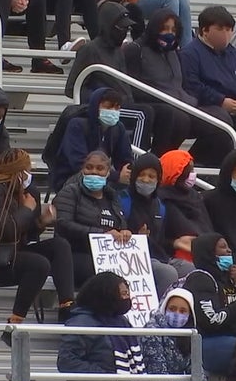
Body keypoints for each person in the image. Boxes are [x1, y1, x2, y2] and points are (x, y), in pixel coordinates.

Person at [0, 149, 74, 329]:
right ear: (18, 170)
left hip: (6, 255)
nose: (29, 175)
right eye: (27, 170)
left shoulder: (15, 190)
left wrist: (41, 222)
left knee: (59, 245)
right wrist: (27, 209)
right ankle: (15, 322)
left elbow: (23, 234)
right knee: (39, 264)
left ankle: (67, 307)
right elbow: (7, 230)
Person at [124, 8, 231, 163]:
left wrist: (190, 100)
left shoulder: (174, 53)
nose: (170, 33)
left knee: (221, 119)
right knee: (179, 118)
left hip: (182, 103)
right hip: (157, 105)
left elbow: (183, 85)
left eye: (174, 30)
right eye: (165, 28)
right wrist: (168, 99)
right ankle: (159, 162)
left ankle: (187, 163)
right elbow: (131, 87)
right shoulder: (135, 50)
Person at [58, 271, 162, 381]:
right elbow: (66, 361)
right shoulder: (81, 322)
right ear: (107, 295)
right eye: (123, 294)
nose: (127, 299)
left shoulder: (121, 321)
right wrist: (105, 375)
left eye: (127, 294)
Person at [64, 2, 154, 146]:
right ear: (108, 25)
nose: (124, 32)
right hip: (103, 108)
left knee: (163, 113)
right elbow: (71, 88)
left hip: (121, 104)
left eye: (127, 28)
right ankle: (136, 162)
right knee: (143, 114)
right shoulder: (89, 50)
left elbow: (124, 85)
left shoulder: (118, 51)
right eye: (121, 27)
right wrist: (100, 97)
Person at [183, 232, 236, 376]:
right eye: (223, 247)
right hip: (204, 342)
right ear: (209, 253)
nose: (229, 251)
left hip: (228, 337)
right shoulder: (200, 278)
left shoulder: (228, 279)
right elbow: (212, 320)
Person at [179, 6, 236, 136]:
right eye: (220, 29)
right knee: (222, 120)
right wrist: (220, 101)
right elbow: (192, 85)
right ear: (205, 30)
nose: (226, 34)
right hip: (207, 109)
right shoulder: (189, 54)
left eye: (229, 29)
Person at [118, 153, 190, 295]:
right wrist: (136, 238)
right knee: (167, 273)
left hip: (159, 256)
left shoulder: (160, 206)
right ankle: (159, 313)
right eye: (142, 175)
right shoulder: (122, 199)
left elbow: (160, 240)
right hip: (132, 258)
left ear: (158, 180)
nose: (146, 180)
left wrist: (175, 243)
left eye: (151, 176)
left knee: (190, 269)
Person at [53, 150, 128, 286]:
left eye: (100, 168)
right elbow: (63, 225)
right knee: (106, 276)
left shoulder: (113, 197)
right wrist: (101, 234)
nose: (94, 172)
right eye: (89, 167)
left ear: (108, 172)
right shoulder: (70, 191)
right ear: (82, 170)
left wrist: (125, 233)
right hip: (73, 254)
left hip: (109, 257)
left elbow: (120, 225)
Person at [140, 288, 216, 381]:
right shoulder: (152, 331)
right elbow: (159, 377)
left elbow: (195, 367)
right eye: (172, 309)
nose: (177, 314)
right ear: (164, 308)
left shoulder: (189, 334)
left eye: (183, 311)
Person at [50, 88, 133, 192]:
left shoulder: (118, 128)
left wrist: (127, 172)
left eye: (117, 108)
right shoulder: (77, 125)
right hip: (73, 177)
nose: (113, 111)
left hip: (104, 176)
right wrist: (116, 176)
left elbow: (126, 158)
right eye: (108, 107)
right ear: (96, 106)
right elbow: (80, 164)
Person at [156, 150, 213, 263]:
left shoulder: (194, 196)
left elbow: (207, 228)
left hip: (203, 252)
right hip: (174, 256)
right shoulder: (160, 199)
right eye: (188, 170)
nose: (192, 174)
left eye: (193, 170)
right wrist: (175, 243)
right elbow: (158, 237)